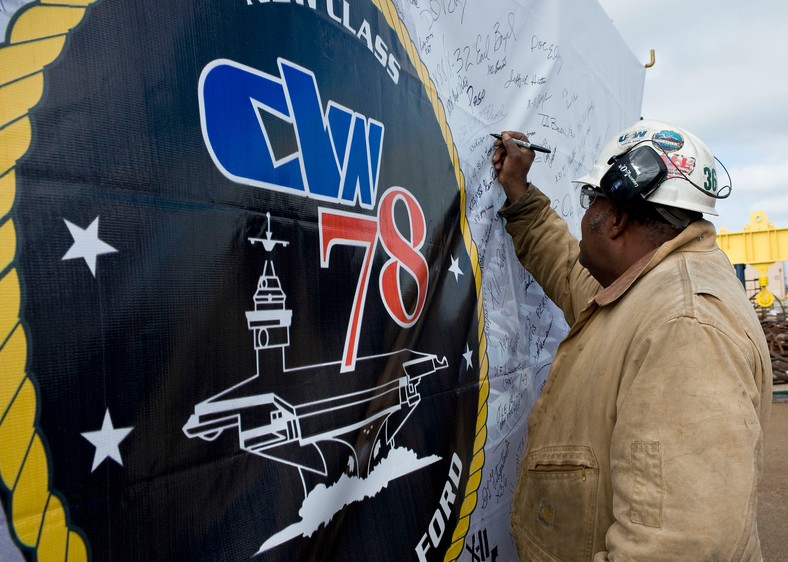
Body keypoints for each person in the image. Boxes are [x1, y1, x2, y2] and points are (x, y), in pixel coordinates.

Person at [491, 120, 772, 561]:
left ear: (617, 218)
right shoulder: (648, 285)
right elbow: (570, 272)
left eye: (590, 201)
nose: (584, 217)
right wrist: (521, 197)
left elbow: (679, 546)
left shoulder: (685, 328)